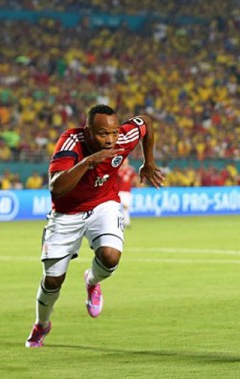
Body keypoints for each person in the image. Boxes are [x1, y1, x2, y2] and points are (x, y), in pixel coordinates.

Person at [25, 104, 165, 348]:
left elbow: (147, 123)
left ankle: (91, 280)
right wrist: (89, 161)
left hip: (104, 205)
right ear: (88, 131)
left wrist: (148, 162)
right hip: (67, 214)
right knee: (52, 281)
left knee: (110, 257)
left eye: (114, 133)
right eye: (103, 134)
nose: (111, 140)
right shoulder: (71, 142)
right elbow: (56, 188)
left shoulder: (124, 136)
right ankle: (42, 324)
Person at [117, 158, 140, 228]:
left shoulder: (130, 170)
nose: (125, 161)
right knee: (119, 207)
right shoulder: (118, 169)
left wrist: (138, 185)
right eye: (124, 160)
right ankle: (121, 222)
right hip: (119, 191)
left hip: (127, 192)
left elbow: (135, 178)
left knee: (126, 207)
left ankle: (126, 222)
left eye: (126, 160)